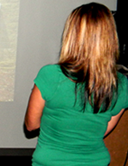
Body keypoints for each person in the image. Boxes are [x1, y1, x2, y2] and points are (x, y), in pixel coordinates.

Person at [24, 2, 128, 165]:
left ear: (71, 35)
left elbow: (31, 125)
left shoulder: (50, 76)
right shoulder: (121, 84)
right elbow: (101, 131)